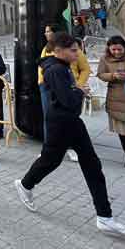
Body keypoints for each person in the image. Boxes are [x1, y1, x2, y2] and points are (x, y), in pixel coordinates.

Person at [14, 32, 125, 238]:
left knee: (90, 164)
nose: (78, 53)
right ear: (58, 50)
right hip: (61, 122)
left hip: (70, 122)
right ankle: (25, 184)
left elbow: (68, 97)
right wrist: (80, 91)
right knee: (51, 160)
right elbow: (68, 100)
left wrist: (77, 90)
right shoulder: (55, 69)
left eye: (78, 49)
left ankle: (104, 216)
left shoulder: (60, 67)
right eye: (73, 50)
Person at [39, 23, 90, 162]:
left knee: (70, 117)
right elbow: (42, 66)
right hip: (47, 87)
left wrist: (78, 86)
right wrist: (41, 82)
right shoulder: (46, 48)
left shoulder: (72, 48)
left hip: (69, 86)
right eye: (45, 31)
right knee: (50, 118)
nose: (46, 34)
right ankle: (48, 149)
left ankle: (71, 148)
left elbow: (85, 68)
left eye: (48, 31)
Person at [96, 36, 125, 170]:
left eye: (119, 49)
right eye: (113, 49)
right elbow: (100, 74)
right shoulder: (105, 59)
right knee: (123, 131)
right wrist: (113, 76)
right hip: (116, 97)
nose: (116, 52)